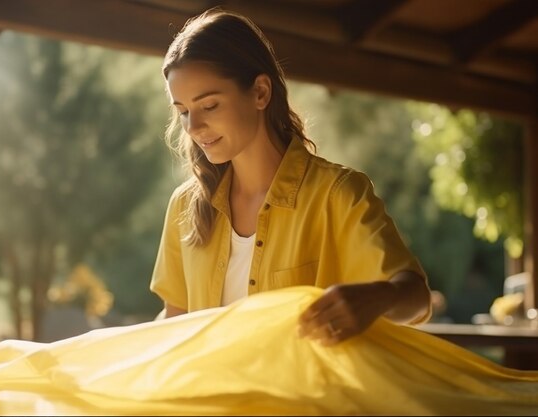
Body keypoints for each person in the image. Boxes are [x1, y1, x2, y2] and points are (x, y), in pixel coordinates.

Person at [150, 7, 432, 346]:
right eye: (183, 111)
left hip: (305, 400)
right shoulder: (185, 207)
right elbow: (174, 326)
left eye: (209, 106)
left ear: (260, 93)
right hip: (208, 398)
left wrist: (375, 299)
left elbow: (416, 296)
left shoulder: (338, 194)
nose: (193, 127)